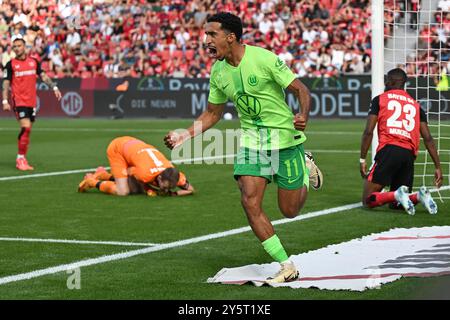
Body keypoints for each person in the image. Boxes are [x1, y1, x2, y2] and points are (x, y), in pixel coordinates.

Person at [164, 13, 322, 283]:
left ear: (231, 37)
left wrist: (303, 114)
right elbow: (213, 113)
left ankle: (306, 168)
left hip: (285, 140)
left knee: (290, 211)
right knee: (249, 200)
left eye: (212, 34)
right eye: (205, 35)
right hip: (253, 143)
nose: (206, 41)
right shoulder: (218, 71)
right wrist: (185, 135)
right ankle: (286, 265)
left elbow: (301, 90)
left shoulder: (264, 58)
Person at [360, 68, 443, 215]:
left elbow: (368, 131)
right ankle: (418, 196)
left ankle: (396, 194)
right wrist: (437, 166)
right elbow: (428, 138)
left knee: (367, 199)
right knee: (397, 205)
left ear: (390, 81)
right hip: (408, 155)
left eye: (387, 79)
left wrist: (362, 159)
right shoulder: (416, 106)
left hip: (389, 150)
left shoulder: (380, 99)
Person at [2, 35, 62, 171]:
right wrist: (5, 100)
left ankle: (22, 157)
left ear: (24, 47)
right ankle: (20, 159)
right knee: (26, 127)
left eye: (19, 46)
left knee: (28, 131)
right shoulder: (10, 64)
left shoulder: (34, 62)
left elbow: (44, 76)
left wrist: (54, 87)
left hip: (31, 102)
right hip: (19, 100)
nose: (16, 48)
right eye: (14, 46)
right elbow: (5, 84)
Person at [78, 136, 194, 197]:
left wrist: (171, 194)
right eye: (165, 187)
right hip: (118, 148)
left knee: (136, 188)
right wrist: (150, 189)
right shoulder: (145, 174)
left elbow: (190, 190)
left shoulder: (175, 176)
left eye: (170, 187)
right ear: (159, 178)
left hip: (134, 144)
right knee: (123, 191)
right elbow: (129, 172)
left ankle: (102, 174)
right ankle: (91, 181)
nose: (166, 189)